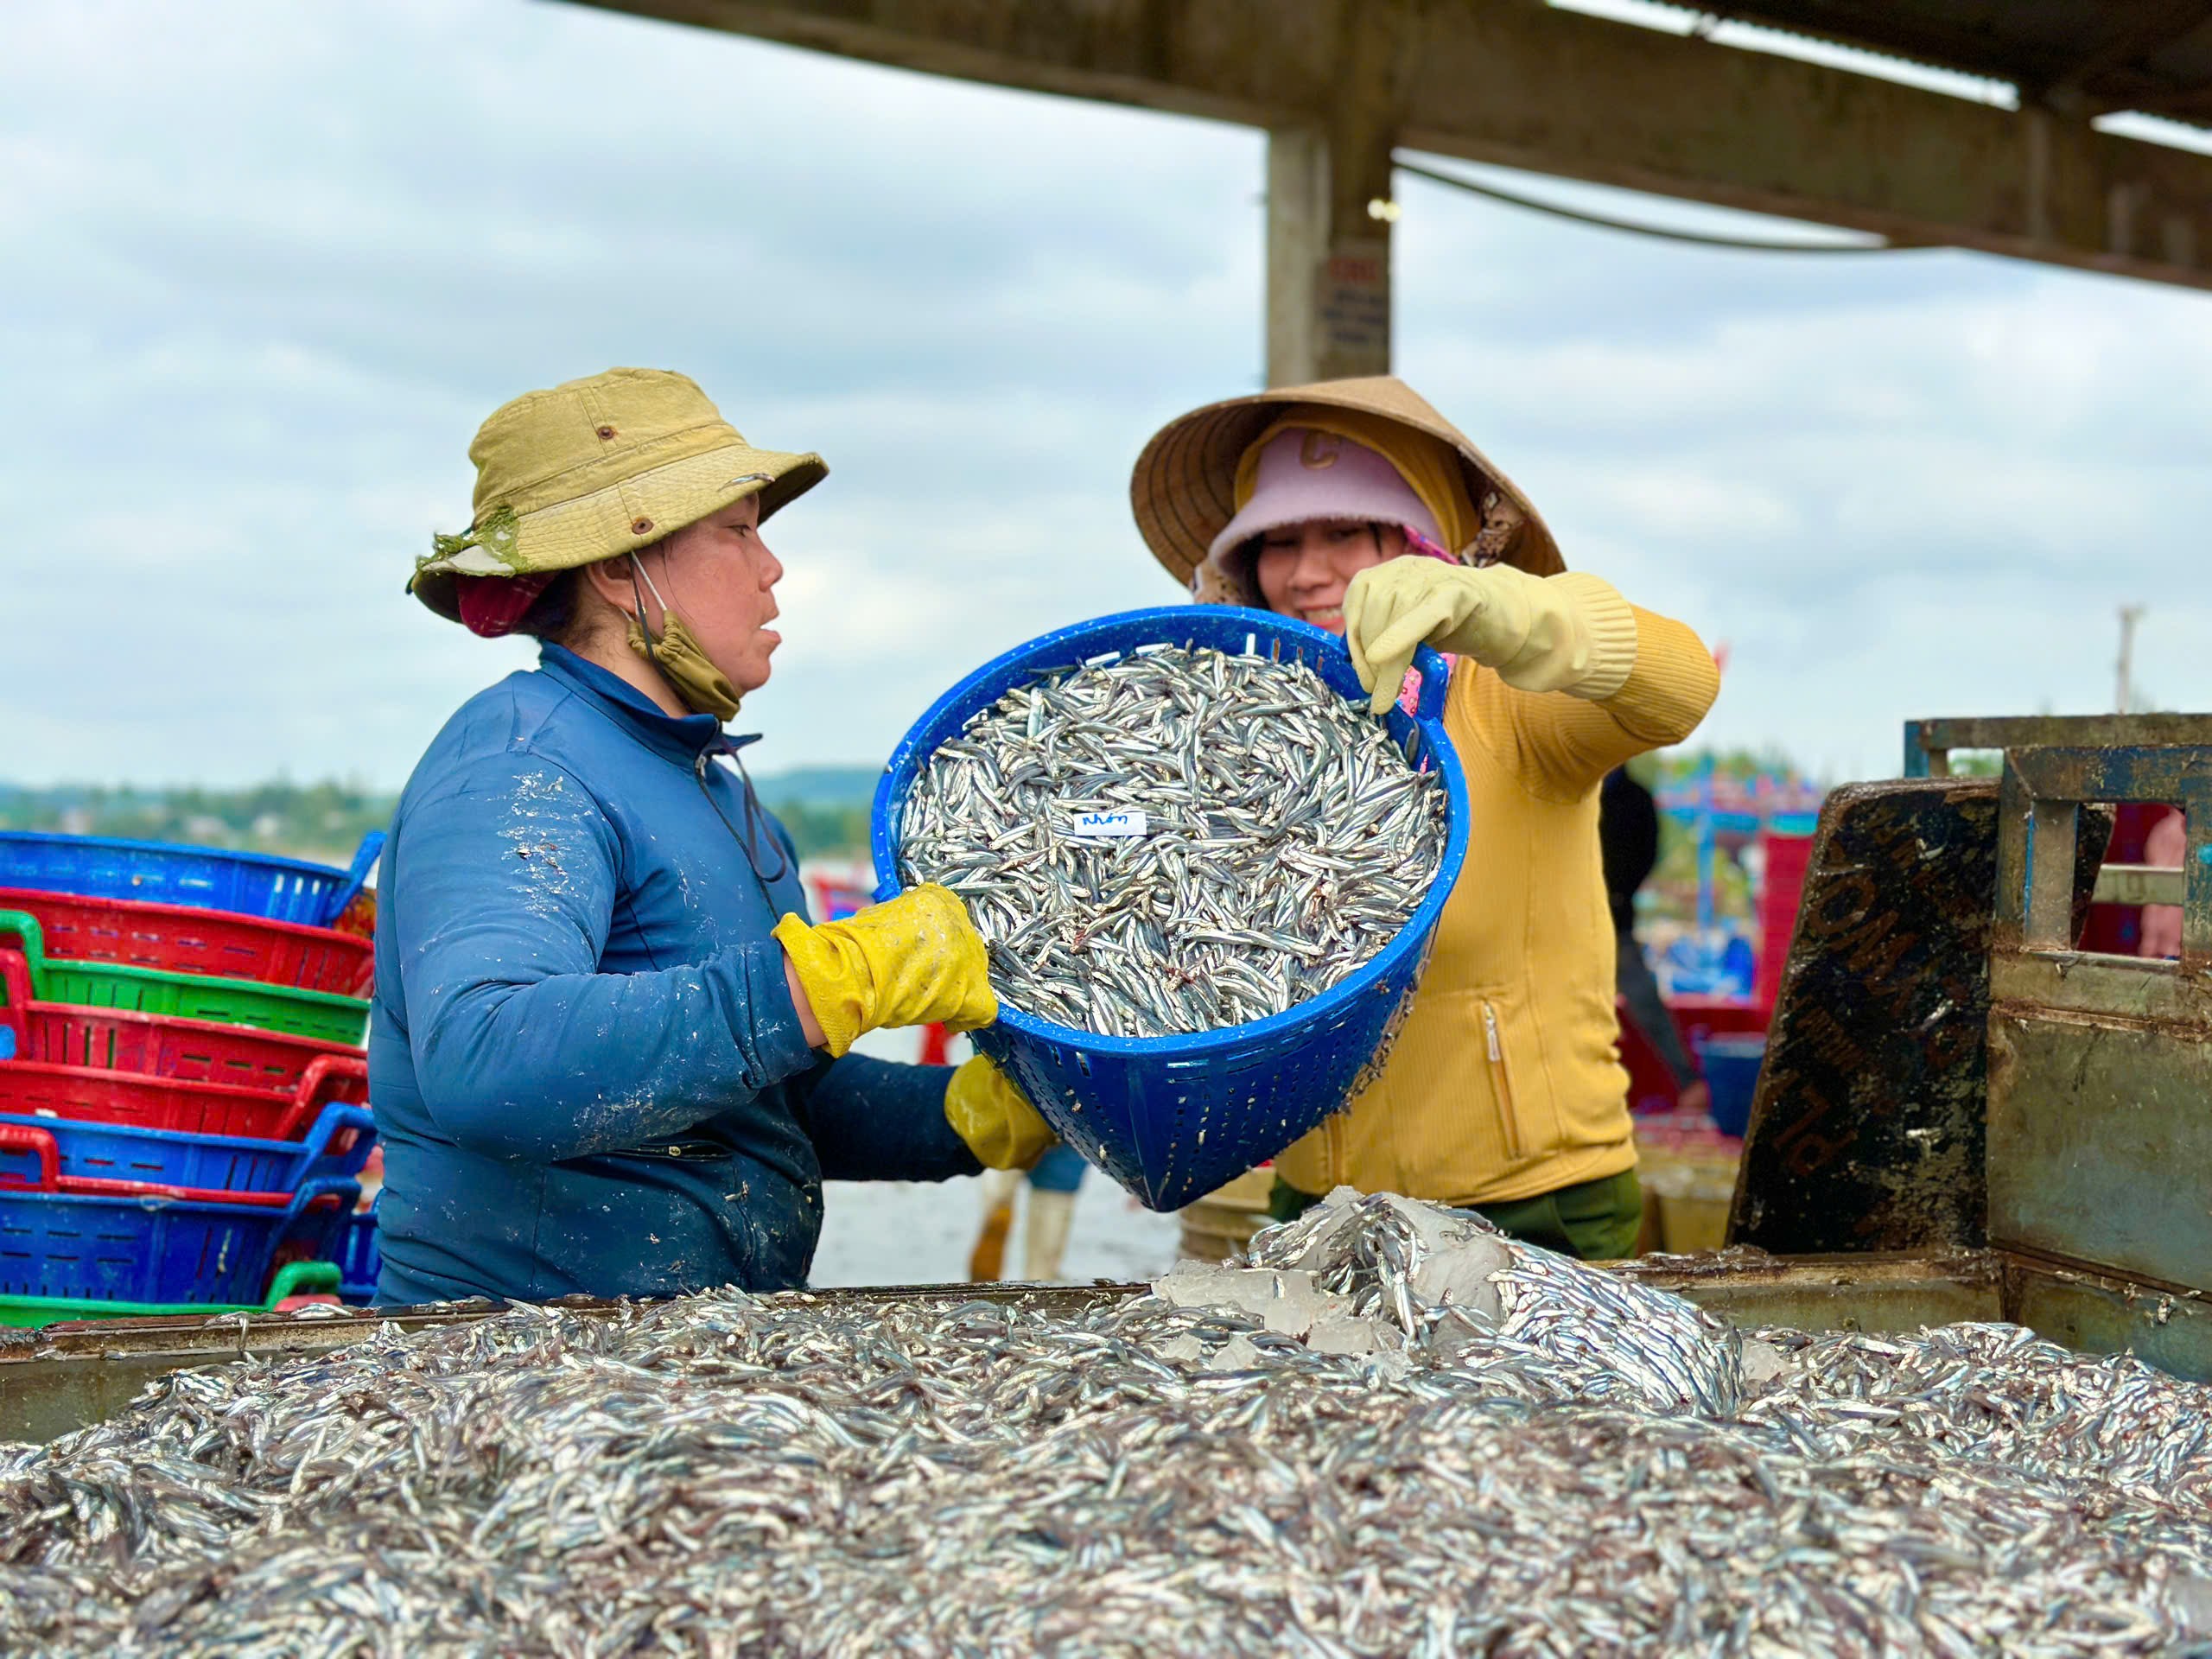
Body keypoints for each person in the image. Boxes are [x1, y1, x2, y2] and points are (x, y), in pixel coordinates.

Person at [372, 367, 1052, 1306]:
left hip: (698, 1348)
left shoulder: (711, 784)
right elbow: (486, 1058)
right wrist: (823, 984)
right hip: (517, 1358)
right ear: (620, 565)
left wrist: (974, 1118)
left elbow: (763, 1093)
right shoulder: (522, 764)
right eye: (739, 532)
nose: (771, 569)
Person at [1130, 376, 1719, 1261]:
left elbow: (1680, 685)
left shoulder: (1512, 703)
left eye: (1343, 533)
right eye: (1277, 541)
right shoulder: (1247, 738)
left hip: (1534, 1206)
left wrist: (1505, 614)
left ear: (1420, 546)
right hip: (1313, 1203)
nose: (1306, 571)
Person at [1599, 766, 1710, 1116]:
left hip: (1613, 919)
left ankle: (1689, 1085)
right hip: (1570, 919)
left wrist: (1617, 893)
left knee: (1645, 1003)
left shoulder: (1634, 799)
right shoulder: (1577, 787)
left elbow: (1645, 855)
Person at [968, 1143, 1086, 1283]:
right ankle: (988, 1284)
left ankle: (1037, 1287)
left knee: (1003, 1205)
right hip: (1019, 1136)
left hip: (1017, 1136)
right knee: (1000, 1209)